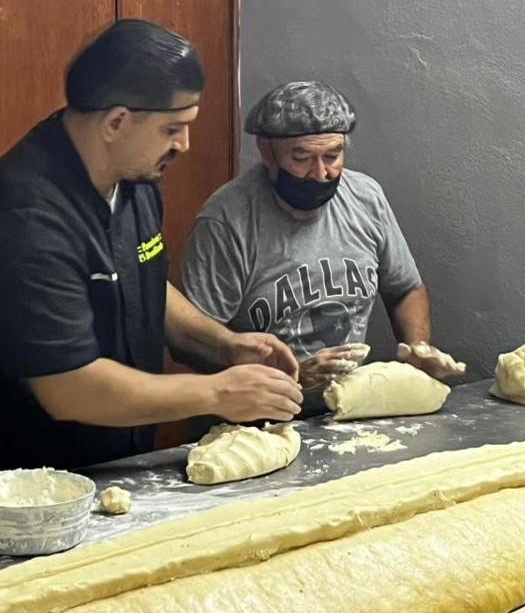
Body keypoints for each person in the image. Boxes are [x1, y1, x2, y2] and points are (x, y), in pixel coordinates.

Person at [0, 20, 302, 497]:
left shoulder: (134, 177)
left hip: (111, 466)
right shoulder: (23, 216)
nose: (183, 145)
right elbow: (69, 388)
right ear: (116, 122)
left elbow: (142, 278)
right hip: (16, 486)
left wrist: (223, 346)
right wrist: (218, 392)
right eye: (172, 128)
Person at [180, 81, 464, 405]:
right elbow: (192, 344)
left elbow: (405, 289)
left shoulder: (366, 199)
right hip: (256, 417)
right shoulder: (226, 221)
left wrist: (417, 348)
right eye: (301, 157)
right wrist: (291, 375)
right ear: (266, 151)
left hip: (346, 410)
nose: (320, 174)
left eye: (332, 156)